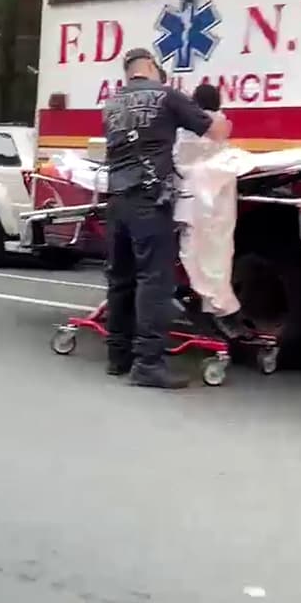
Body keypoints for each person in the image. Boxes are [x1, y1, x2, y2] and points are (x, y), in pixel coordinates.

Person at [102, 48, 231, 388]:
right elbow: (215, 131)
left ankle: (118, 356)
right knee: (153, 281)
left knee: (121, 279)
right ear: (150, 67)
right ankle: (148, 364)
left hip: (116, 199)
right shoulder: (166, 95)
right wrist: (219, 118)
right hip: (149, 200)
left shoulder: (112, 103)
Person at [173, 83, 249, 340]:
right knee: (218, 256)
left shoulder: (185, 130)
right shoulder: (221, 126)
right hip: (218, 205)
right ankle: (217, 308)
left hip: (191, 204)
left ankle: (208, 304)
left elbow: (177, 161)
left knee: (195, 256)